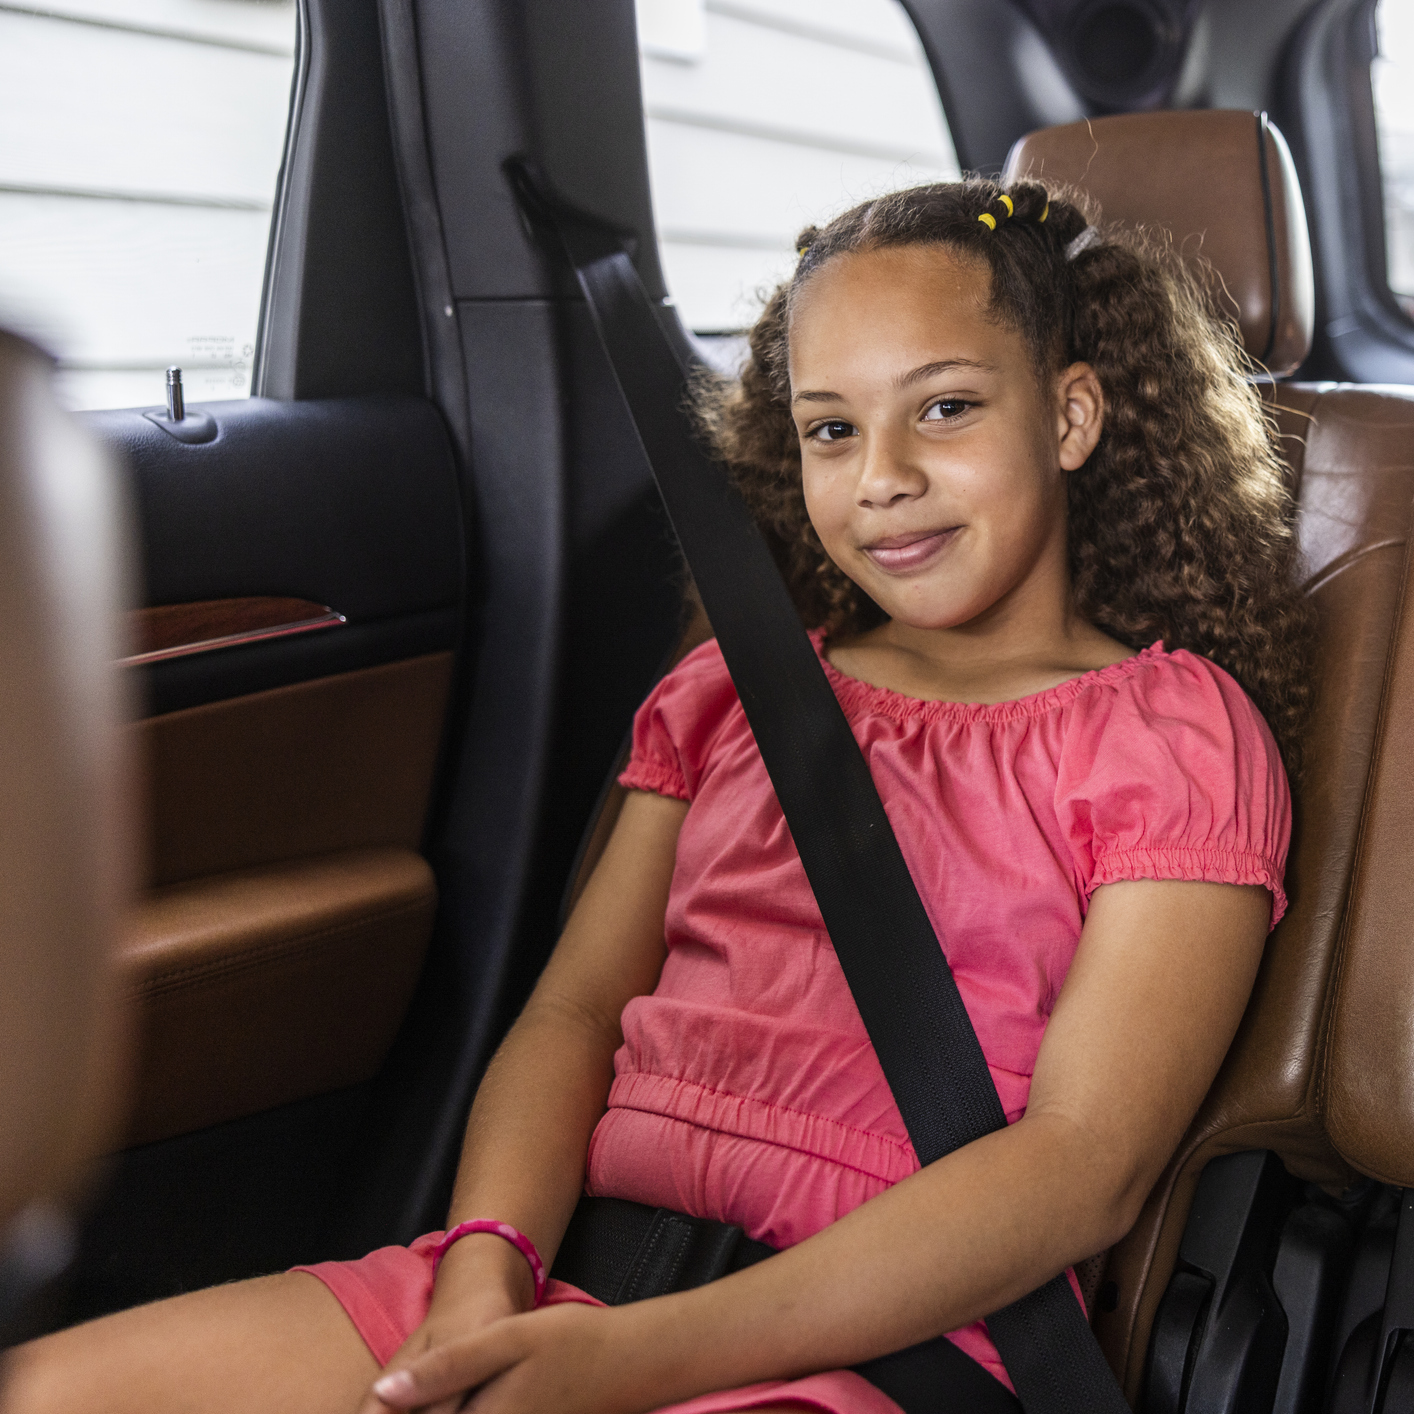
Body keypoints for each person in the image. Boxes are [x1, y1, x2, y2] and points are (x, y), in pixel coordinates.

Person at [1, 177, 1312, 1414]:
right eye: (831, 428)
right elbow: (575, 1011)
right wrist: (481, 1275)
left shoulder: (1172, 737)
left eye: (947, 408)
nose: (883, 475)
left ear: (1073, 416)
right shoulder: (735, 694)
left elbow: (1083, 1163)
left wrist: (627, 1362)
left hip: (864, 1346)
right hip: (567, 1281)